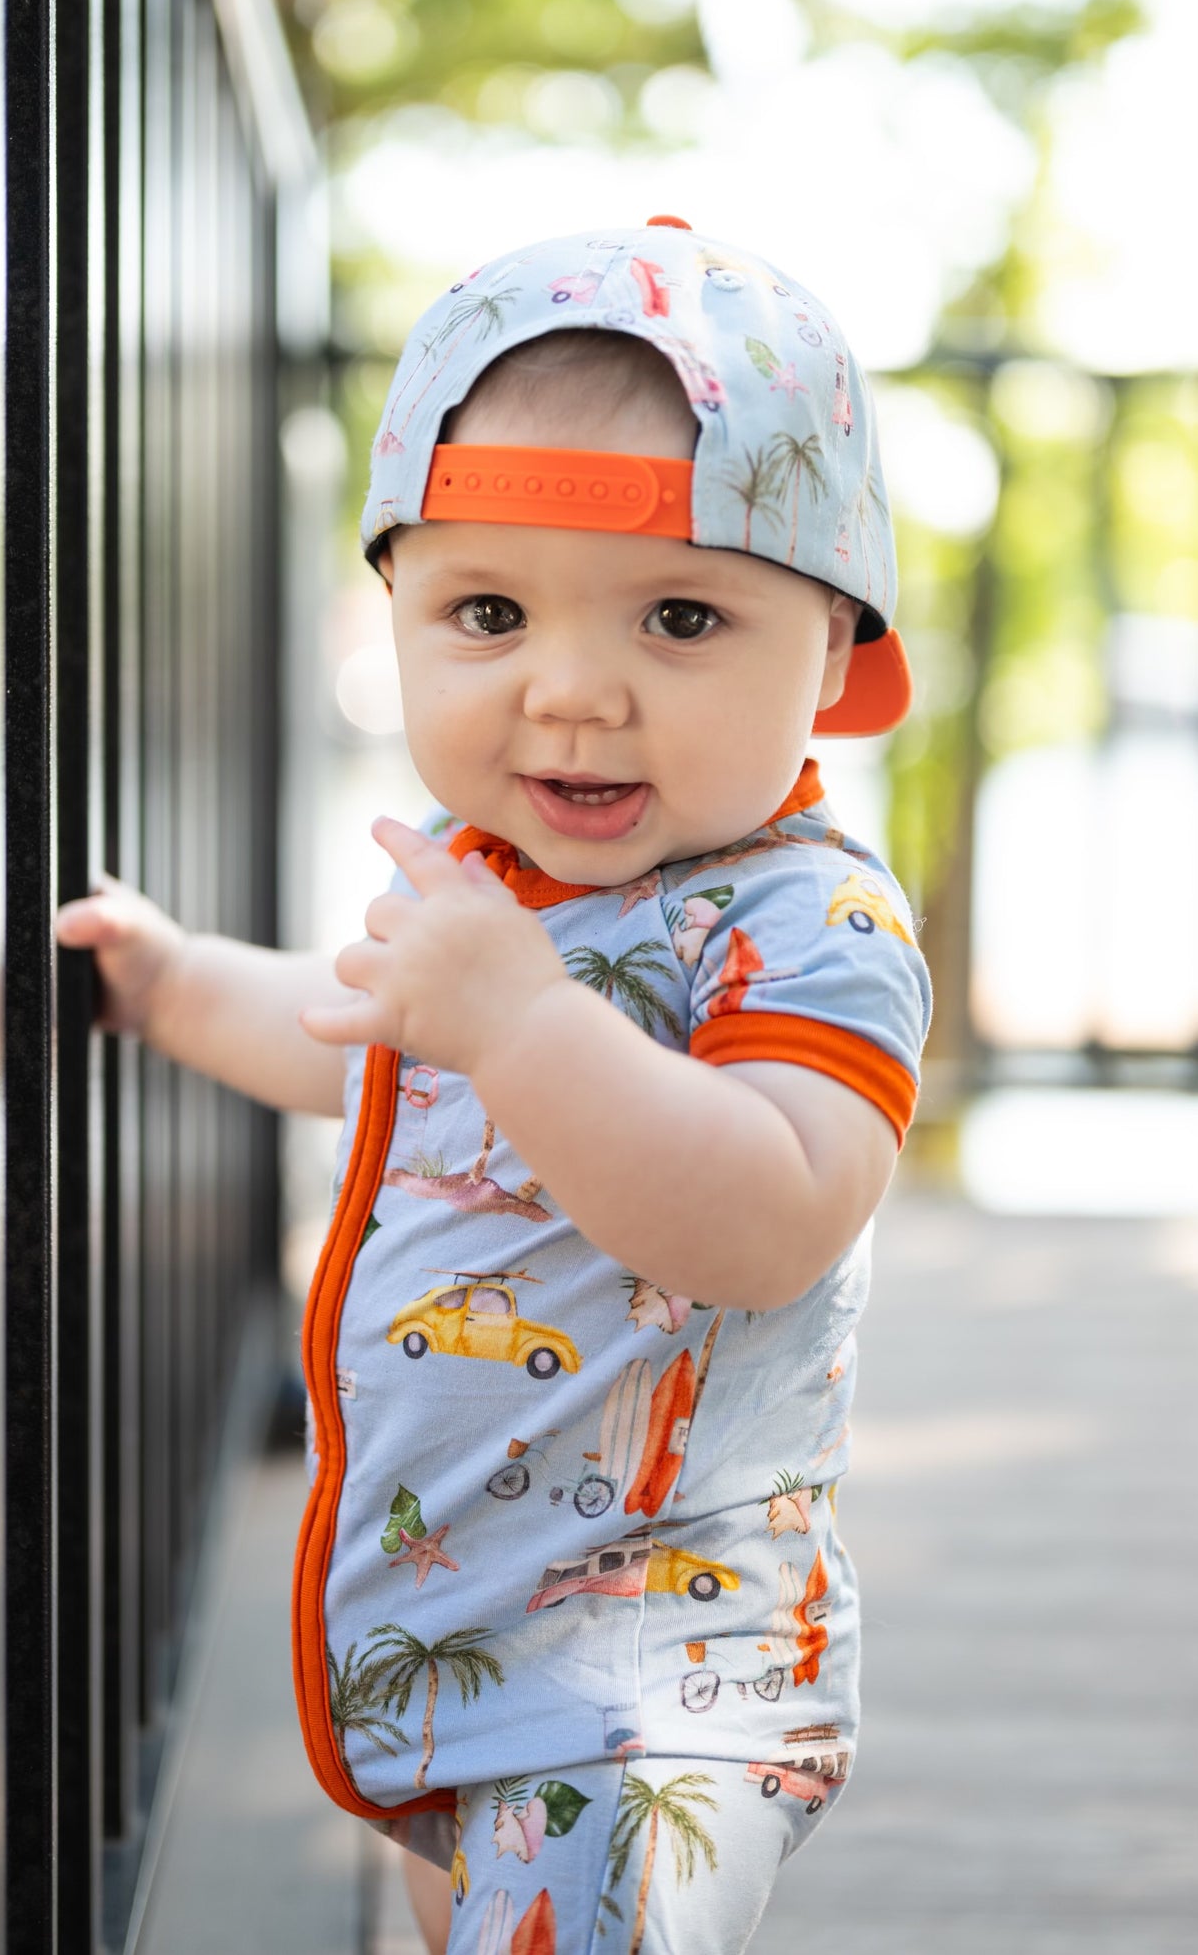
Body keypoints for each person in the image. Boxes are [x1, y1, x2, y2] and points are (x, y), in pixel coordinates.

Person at [58, 217, 931, 1953]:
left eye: (682, 614)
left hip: (652, 1696)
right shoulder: (503, 894)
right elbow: (347, 1023)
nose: (571, 688)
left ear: (831, 654)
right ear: (394, 610)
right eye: (486, 610)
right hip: (464, 1644)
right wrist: (166, 985)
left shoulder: (806, 922)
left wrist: (526, 1027)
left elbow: (770, 1210)